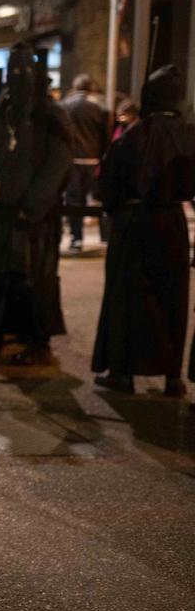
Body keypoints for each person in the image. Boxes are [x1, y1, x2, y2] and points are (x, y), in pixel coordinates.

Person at [0, 43, 71, 366]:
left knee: (33, 284)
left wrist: (34, 204)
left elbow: (59, 162)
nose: (18, 79)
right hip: (0, 216)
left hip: (32, 221)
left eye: (24, 72)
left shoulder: (51, 117)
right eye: (14, 72)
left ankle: (38, 343)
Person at [92, 66, 194, 396]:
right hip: (172, 225)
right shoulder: (188, 137)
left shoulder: (133, 137)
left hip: (135, 225)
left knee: (128, 300)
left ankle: (122, 373)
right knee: (172, 300)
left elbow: (108, 187)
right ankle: (172, 377)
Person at [60, 75, 110, 252]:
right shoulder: (100, 106)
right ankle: (105, 236)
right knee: (98, 199)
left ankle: (76, 238)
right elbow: (106, 136)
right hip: (94, 159)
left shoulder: (65, 105)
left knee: (74, 201)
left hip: (72, 159)